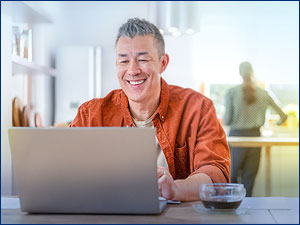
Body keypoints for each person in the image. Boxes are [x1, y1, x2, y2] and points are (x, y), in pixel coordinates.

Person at [70, 18, 230, 201]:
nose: (132, 70)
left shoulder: (198, 108)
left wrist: (175, 189)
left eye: (143, 59)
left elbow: (215, 175)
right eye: (124, 61)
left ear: (163, 63)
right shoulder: (90, 114)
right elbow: (66, 170)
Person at [223, 61, 287, 197]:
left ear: (240, 73)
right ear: (252, 73)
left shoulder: (232, 92)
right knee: (249, 179)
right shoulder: (264, 93)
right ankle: (246, 211)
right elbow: (283, 116)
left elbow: (227, 120)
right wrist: (274, 125)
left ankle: (229, 209)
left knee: (232, 177)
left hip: (236, 138)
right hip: (256, 138)